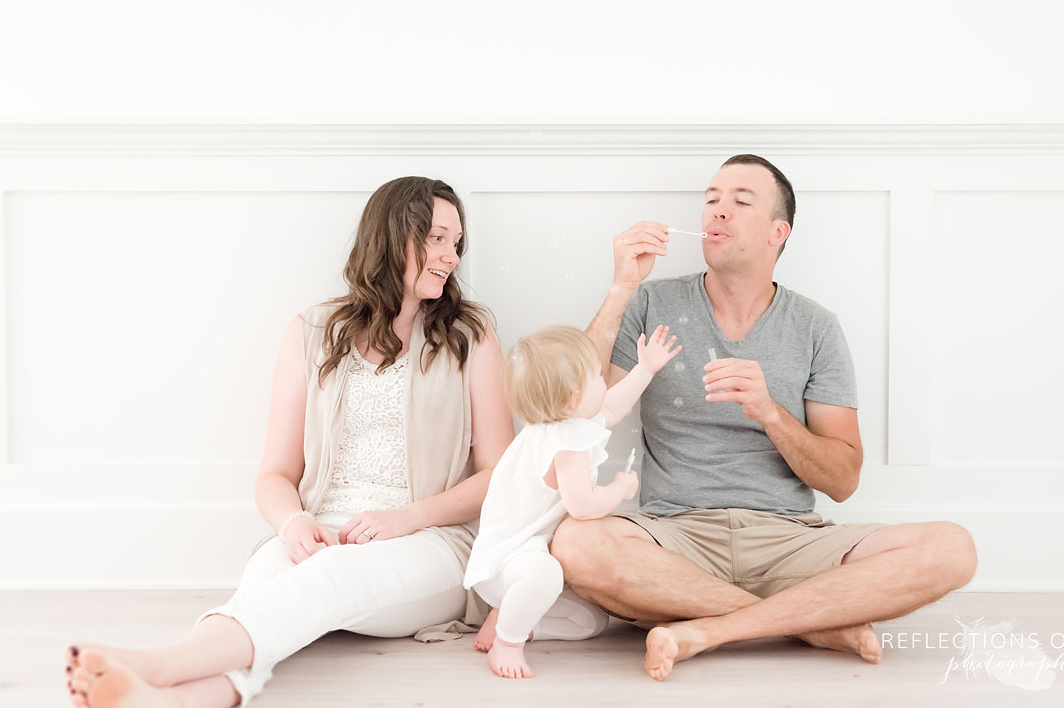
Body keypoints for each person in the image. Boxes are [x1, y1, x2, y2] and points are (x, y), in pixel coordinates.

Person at [63, 176, 515, 708]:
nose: (451, 256)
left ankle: (157, 665)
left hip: (430, 544)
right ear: (395, 236)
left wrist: (407, 517)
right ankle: (182, 701)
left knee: (328, 577)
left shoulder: (470, 335)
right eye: (437, 238)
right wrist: (293, 523)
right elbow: (275, 473)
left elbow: (499, 474)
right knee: (262, 589)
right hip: (321, 529)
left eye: (456, 243)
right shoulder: (314, 330)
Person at [551, 153, 979, 681]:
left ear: (779, 232)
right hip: (676, 537)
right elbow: (582, 410)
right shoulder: (650, 301)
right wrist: (620, 287)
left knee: (952, 548)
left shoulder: (816, 327)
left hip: (790, 539)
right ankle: (806, 622)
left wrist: (770, 413)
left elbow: (843, 480)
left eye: (740, 201)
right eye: (711, 199)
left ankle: (711, 626)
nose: (718, 211)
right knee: (575, 541)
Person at [464, 324, 681, 678]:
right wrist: (621, 488)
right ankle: (508, 643)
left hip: (520, 562)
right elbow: (583, 506)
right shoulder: (566, 445)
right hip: (510, 560)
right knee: (546, 575)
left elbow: (614, 405)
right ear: (571, 397)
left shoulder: (565, 425)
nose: (603, 381)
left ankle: (511, 619)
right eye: (596, 376)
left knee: (589, 622)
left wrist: (646, 368)